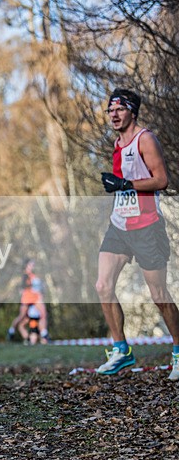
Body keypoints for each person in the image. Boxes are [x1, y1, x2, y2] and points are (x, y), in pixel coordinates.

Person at [95, 88, 179, 380]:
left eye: (119, 109)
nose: (113, 115)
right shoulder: (117, 144)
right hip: (120, 226)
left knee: (158, 294)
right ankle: (121, 350)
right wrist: (118, 185)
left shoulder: (146, 139)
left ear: (132, 111)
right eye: (110, 110)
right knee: (102, 285)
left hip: (146, 227)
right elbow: (124, 184)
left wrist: (125, 184)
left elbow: (162, 180)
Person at [6, 259, 49, 342]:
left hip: (35, 299)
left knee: (43, 314)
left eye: (33, 265)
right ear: (26, 266)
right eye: (31, 265)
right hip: (27, 299)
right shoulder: (24, 276)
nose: (33, 266)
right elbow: (22, 286)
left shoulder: (35, 276)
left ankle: (44, 335)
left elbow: (39, 288)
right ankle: (11, 330)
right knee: (22, 317)